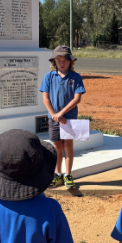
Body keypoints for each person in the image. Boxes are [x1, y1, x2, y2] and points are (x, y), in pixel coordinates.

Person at [40, 45, 85, 190]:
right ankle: (57, 174)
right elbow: (45, 97)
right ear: (54, 61)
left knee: (68, 145)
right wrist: (54, 114)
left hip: (70, 118)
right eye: (58, 59)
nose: (62, 62)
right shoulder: (49, 76)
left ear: (70, 61)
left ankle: (68, 174)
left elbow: (77, 98)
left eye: (65, 59)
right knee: (57, 146)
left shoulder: (75, 77)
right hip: (54, 118)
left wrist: (62, 113)